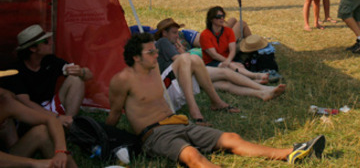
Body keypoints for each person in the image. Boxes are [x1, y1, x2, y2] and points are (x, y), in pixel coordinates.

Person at [106, 33, 325, 167]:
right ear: (135, 57)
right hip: (155, 134)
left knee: (230, 138)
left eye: (155, 51)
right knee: (192, 155)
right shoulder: (122, 81)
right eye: (151, 52)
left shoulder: (154, 69)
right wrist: (105, 141)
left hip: (179, 123)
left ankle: (289, 153)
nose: (156, 55)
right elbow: (114, 114)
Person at [2, 25, 93, 129]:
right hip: (30, 115)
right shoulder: (15, 71)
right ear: (33, 48)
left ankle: (69, 126)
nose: (51, 43)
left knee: (76, 79)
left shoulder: (50, 60)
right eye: (45, 41)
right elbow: (26, 103)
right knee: (42, 129)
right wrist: (57, 118)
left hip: (49, 107)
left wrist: (81, 72)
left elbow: (89, 75)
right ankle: (63, 125)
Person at [154, 18, 240, 123]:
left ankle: (217, 101)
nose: (177, 36)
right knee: (193, 59)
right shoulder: (163, 41)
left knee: (196, 59)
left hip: (175, 81)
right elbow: (181, 59)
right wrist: (181, 49)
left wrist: (180, 48)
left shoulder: (170, 44)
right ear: (164, 33)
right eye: (174, 33)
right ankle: (195, 110)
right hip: (167, 85)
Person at [0, 70, 77, 168]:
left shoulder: (6, 103)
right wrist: (35, 163)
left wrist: (61, 151)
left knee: (42, 131)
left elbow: (51, 119)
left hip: (8, 157)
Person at [200, 7, 271, 83]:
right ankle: (255, 76)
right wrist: (229, 62)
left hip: (227, 59)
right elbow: (214, 55)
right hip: (212, 62)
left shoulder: (228, 31)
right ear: (211, 19)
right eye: (218, 17)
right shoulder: (205, 35)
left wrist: (229, 60)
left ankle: (253, 79)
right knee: (232, 66)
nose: (222, 18)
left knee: (240, 66)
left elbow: (232, 50)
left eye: (223, 16)